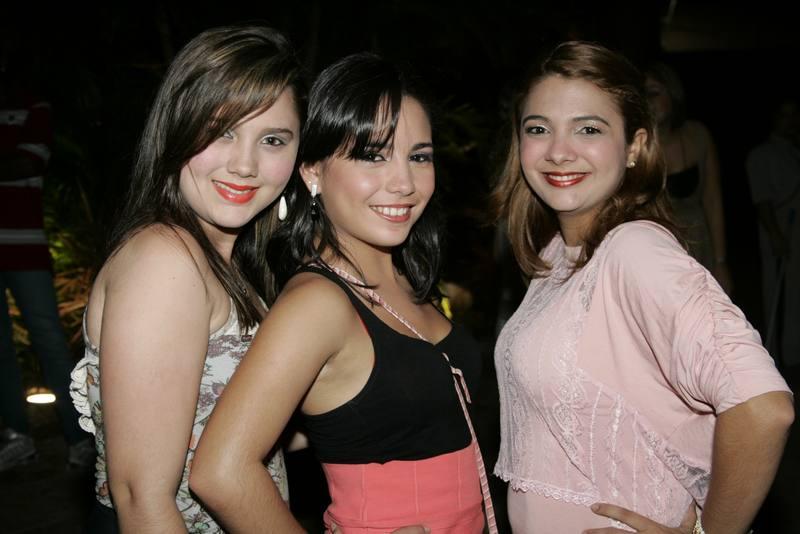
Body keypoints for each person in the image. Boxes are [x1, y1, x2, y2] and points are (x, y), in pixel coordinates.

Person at [491, 41, 793, 533]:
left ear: (634, 147)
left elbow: (763, 408)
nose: (559, 151)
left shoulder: (634, 250)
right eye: (538, 128)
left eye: (589, 129)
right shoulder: (557, 254)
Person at [191, 53, 494, 533]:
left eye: (419, 156)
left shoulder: (405, 279)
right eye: (373, 156)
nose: (404, 183)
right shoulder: (317, 303)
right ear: (313, 172)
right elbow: (220, 473)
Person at [67, 24, 304, 532]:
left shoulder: (224, 260)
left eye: (272, 140)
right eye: (222, 131)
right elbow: (142, 500)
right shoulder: (165, 262)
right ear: (176, 128)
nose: (245, 164)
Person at [0, 39, 93, 471]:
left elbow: (28, 164)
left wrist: (15, 162)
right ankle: (16, 437)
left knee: (49, 339)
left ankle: (78, 438)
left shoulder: (34, 107)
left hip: (26, 245)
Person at [645, 62, 732, 293]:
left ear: (672, 93)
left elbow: (713, 201)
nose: (648, 101)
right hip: (657, 251)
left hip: (698, 244)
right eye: (642, 95)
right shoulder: (634, 147)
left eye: (654, 93)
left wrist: (721, 262)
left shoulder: (698, 135)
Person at [746, 95, 800, 369]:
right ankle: (776, 357)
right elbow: (762, 201)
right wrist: (776, 236)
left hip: (795, 231)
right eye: (784, 115)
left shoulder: (794, 151)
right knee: (778, 293)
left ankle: (793, 354)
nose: (790, 122)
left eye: (794, 116)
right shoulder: (761, 155)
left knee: (795, 295)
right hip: (780, 231)